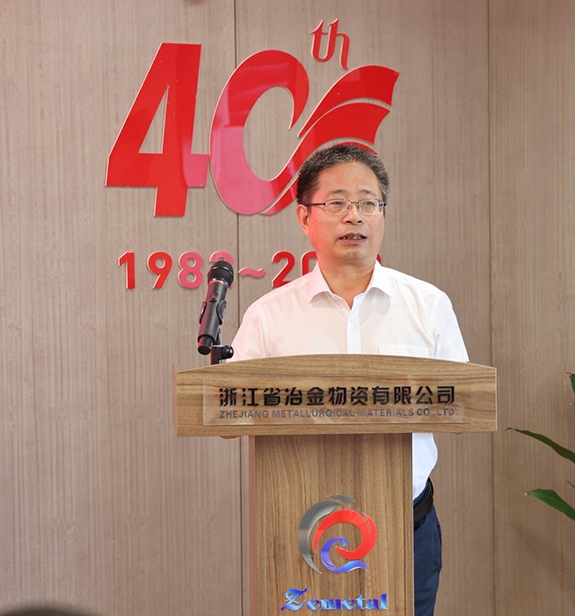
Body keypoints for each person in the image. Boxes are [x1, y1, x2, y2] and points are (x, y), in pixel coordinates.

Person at [230, 143, 468, 616]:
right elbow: (225, 413)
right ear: (305, 217)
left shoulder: (428, 305)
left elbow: (462, 406)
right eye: (336, 202)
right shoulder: (269, 315)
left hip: (408, 525)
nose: (354, 216)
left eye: (367, 203)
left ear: (383, 214)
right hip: (300, 525)